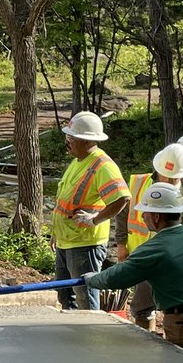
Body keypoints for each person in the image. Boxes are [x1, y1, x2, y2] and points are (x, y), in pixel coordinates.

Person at [86, 183, 183, 363]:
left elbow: (117, 278)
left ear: (156, 216)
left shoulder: (154, 248)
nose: (143, 217)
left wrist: (91, 279)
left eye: (145, 212)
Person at [112, 143, 183, 331]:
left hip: (179, 259)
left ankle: (178, 345)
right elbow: (122, 214)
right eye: (165, 175)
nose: (169, 180)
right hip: (147, 257)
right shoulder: (139, 184)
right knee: (143, 306)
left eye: (174, 177)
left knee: (179, 306)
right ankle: (148, 339)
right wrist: (121, 244)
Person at [50, 111, 130, 311]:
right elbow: (64, 203)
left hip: (85, 244)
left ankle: (91, 338)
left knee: (85, 296)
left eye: (71, 138)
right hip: (67, 240)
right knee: (65, 295)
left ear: (87, 141)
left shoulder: (102, 166)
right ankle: (72, 336)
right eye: (67, 137)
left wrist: (95, 219)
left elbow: (122, 197)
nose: (67, 142)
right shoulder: (78, 160)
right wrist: (55, 232)